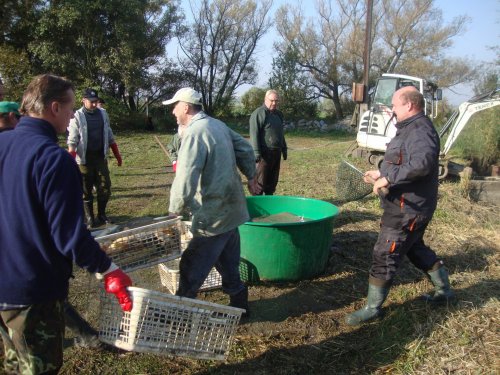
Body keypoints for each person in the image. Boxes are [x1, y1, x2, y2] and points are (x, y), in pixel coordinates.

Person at [0, 74, 133, 374]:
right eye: (71, 107)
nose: (73, 115)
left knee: (14, 364)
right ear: (55, 107)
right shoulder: (52, 159)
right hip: (31, 290)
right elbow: (69, 237)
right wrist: (109, 269)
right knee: (37, 368)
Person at [345, 86, 455, 326]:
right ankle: (444, 291)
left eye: (395, 104)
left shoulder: (420, 130)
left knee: (384, 253)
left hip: (409, 208)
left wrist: (389, 179)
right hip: (408, 205)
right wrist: (381, 172)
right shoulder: (407, 129)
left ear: (409, 105)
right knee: (415, 248)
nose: (392, 109)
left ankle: (373, 308)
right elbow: (403, 160)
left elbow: (422, 164)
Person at [164, 87, 260, 317]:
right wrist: (251, 176)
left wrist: (174, 209)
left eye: (175, 106)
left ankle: (181, 313)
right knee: (228, 264)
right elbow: (246, 149)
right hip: (233, 209)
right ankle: (240, 305)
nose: (173, 112)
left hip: (213, 213)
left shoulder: (195, 132)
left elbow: (185, 176)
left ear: (186, 107)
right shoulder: (217, 125)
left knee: (191, 265)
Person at [67, 88, 123, 229]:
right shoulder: (77, 117)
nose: (94, 104)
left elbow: (109, 134)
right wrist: (70, 161)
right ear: (83, 100)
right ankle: (90, 217)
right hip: (84, 159)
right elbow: (72, 141)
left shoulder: (103, 114)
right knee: (86, 189)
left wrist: (117, 155)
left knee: (105, 187)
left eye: (95, 102)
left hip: (100, 157)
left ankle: (102, 215)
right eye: (91, 102)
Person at [249, 89, 287, 195]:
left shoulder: (279, 114)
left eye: (276, 101)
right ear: (265, 99)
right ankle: (257, 208)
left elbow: (280, 132)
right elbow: (254, 134)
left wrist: (284, 148)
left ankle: (270, 205)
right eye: (272, 100)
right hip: (263, 155)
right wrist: (256, 153)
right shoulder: (258, 113)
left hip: (276, 153)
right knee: (259, 185)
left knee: (272, 184)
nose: (274, 103)